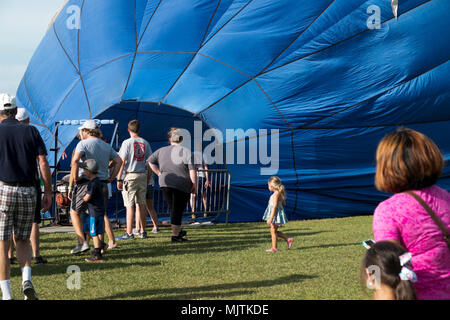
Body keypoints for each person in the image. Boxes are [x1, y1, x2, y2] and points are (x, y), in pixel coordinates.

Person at [373, 128, 450, 300]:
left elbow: (386, 271)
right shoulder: (447, 198)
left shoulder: (388, 211)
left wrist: (373, 281)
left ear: (386, 167)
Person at [0, 94, 52, 300]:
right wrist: (48, 192)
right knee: (22, 239)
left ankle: (6, 294)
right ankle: (26, 279)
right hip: (30, 190)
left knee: (3, 245)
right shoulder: (31, 130)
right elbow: (43, 163)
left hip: (4, 189)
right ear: (15, 111)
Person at [68, 120, 122, 254]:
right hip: (102, 183)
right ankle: (100, 246)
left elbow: (75, 161)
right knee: (99, 214)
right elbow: (118, 161)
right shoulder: (105, 145)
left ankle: (82, 242)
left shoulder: (82, 144)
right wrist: (111, 177)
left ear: (86, 131)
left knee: (74, 212)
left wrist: (74, 178)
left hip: (85, 182)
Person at [148, 128, 197, 242]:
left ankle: (178, 231)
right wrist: (194, 184)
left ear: (170, 139)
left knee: (173, 208)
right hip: (181, 183)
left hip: (165, 182)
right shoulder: (186, 151)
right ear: (182, 139)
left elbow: (150, 161)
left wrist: (159, 173)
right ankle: (175, 235)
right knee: (177, 209)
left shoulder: (161, 150)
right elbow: (192, 171)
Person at [116, 120, 152, 240]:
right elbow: (150, 162)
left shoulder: (126, 143)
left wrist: (119, 178)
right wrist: (148, 178)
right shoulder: (145, 143)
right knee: (141, 204)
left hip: (130, 175)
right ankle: (142, 231)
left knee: (129, 205)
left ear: (128, 130)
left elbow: (122, 161)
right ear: (139, 129)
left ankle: (129, 233)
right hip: (142, 174)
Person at [81, 159, 107, 262]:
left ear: (89, 171)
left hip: (95, 212)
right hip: (97, 211)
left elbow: (87, 198)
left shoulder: (92, 183)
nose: (83, 171)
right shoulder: (98, 181)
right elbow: (103, 190)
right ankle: (102, 245)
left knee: (93, 233)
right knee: (87, 229)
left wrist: (82, 197)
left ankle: (97, 254)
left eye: (84, 169)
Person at [262, 176, 293, 252]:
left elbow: (275, 206)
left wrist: (271, 218)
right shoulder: (278, 193)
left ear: (272, 186)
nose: (268, 187)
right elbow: (284, 203)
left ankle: (274, 248)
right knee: (273, 231)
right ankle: (287, 239)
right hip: (276, 215)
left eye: (269, 186)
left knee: (273, 230)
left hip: (275, 215)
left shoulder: (276, 194)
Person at [190, 146, 211, 219]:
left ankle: (193, 213)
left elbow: (187, 167)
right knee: (203, 194)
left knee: (193, 195)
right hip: (201, 176)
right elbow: (206, 167)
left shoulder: (191, 154)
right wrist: (207, 179)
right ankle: (205, 212)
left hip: (193, 177)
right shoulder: (203, 155)